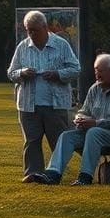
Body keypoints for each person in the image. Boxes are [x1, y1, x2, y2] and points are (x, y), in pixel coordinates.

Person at [26, 53, 110, 186]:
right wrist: (79, 119)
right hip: (99, 132)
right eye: (95, 70)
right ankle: (53, 174)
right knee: (66, 136)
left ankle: (85, 177)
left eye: (100, 71)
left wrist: (95, 123)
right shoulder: (95, 88)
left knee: (94, 132)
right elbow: (84, 111)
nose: (97, 74)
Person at [8, 10, 81, 179]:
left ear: (45, 27)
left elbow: (76, 69)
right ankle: (33, 173)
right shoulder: (23, 47)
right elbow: (11, 73)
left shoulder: (61, 44)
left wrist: (57, 74)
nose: (31, 33)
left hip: (55, 104)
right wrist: (22, 73)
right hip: (28, 104)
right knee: (31, 141)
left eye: (34, 29)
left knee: (58, 141)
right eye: (28, 30)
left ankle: (55, 173)